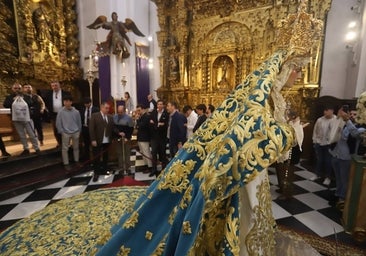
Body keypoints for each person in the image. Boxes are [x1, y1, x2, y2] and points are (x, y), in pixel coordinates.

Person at [329, 106, 365, 210]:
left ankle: (342, 199)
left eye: (355, 115)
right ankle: (337, 195)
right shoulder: (344, 123)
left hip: (347, 157)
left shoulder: (361, 127)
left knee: (344, 179)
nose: (352, 116)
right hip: (336, 154)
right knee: (338, 178)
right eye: (351, 114)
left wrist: (347, 120)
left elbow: (354, 133)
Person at [3, 83, 40, 156]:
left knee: (32, 134)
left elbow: (31, 103)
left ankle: (36, 148)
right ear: (12, 89)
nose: (17, 90)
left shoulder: (26, 96)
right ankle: (26, 149)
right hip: (16, 119)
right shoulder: (9, 97)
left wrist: (22, 100)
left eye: (19, 88)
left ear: (21, 89)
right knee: (21, 135)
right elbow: (6, 104)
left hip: (27, 118)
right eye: (15, 88)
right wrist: (14, 100)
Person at [311, 106, 336, 185]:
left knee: (328, 161)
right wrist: (314, 141)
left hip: (329, 144)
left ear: (332, 111)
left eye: (327, 110)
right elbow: (315, 131)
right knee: (319, 160)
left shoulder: (335, 120)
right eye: (324, 110)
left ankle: (328, 177)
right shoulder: (320, 120)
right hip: (319, 142)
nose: (325, 112)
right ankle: (317, 174)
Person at [89, 102, 114, 181]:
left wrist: (119, 133)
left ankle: (104, 170)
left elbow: (112, 128)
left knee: (105, 156)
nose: (107, 110)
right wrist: (93, 139)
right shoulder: (94, 116)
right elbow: (91, 129)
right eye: (106, 108)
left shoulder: (110, 117)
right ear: (102, 108)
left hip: (107, 140)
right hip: (97, 140)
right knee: (97, 157)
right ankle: (96, 173)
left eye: (108, 108)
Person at [56, 95, 82, 167]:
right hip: (65, 132)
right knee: (65, 149)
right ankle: (66, 163)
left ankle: (76, 161)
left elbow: (79, 122)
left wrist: (79, 131)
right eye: (65, 101)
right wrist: (61, 131)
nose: (66, 103)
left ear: (71, 102)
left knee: (76, 148)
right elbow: (58, 122)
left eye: (68, 101)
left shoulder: (76, 112)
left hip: (75, 132)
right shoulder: (60, 112)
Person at [44, 81, 71, 148]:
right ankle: (60, 143)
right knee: (56, 130)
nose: (54, 87)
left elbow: (70, 102)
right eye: (52, 86)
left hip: (65, 114)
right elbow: (46, 103)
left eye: (56, 85)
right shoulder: (48, 94)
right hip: (54, 115)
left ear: (59, 85)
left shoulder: (66, 93)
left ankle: (67, 143)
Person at [149, 99, 169, 176]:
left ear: (163, 105)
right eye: (158, 104)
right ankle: (154, 169)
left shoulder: (166, 114)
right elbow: (150, 124)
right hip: (154, 137)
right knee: (153, 153)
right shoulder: (153, 112)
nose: (159, 105)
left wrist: (155, 124)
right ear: (157, 105)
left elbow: (165, 125)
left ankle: (163, 170)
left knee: (163, 153)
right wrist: (158, 124)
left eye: (161, 104)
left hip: (162, 137)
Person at [113, 105, 134, 174]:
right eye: (118, 112)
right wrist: (118, 132)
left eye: (121, 112)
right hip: (117, 138)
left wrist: (127, 137)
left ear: (124, 111)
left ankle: (128, 167)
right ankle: (121, 167)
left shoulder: (129, 118)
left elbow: (131, 129)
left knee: (127, 153)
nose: (119, 113)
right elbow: (113, 127)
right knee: (119, 153)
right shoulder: (114, 117)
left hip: (126, 138)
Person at [135, 104, 153, 172]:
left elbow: (142, 126)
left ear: (143, 109)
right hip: (140, 137)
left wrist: (137, 120)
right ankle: (146, 165)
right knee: (143, 152)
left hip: (144, 137)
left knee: (146, 152)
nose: (138, 112)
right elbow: (137, 126)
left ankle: (150, 166)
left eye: (139, 110)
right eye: (137, 111)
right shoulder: (141, 117)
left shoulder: (146, 116)